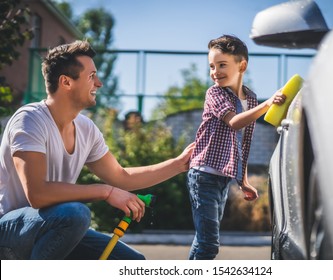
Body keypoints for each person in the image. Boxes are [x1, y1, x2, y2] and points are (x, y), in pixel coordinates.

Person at [0, 40, 195, 260]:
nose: (99, 83)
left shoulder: (86, 129)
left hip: (56, 227)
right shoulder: (30, 119)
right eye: (92, 76)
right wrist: (106, 191)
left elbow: (121, 176)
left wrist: (180, 163)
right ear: (66, 82)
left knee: (132, 263)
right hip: (10, 233)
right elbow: (38, 194)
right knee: (76, 213)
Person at [186, 34, 286, 260]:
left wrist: (243, 180)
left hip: (222, 179)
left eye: (222, 65)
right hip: (202, 176)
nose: (215, 71)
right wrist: (268, 103)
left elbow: (245, 141)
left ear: (242, 65)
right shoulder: (214, 93)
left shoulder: (249, 98)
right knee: (209, 245)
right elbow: (234, 122)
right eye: (212, 66)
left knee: (203, 241)